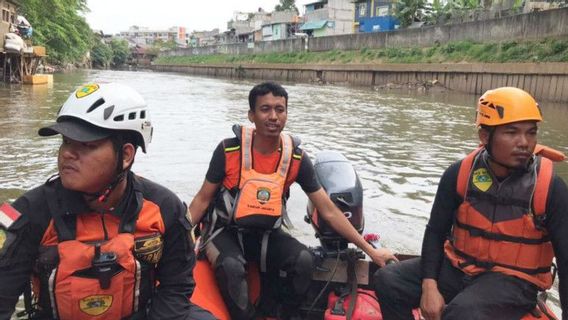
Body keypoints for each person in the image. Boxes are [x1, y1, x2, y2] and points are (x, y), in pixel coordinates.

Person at [0, 83, 215, 320]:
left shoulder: (165, 207)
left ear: (125, 155)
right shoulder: (27, 212)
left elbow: (177, 285)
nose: (68, 154)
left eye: (87, 145)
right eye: (66, 142)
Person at [189, 81, 397, 319]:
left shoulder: (296, 157)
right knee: (232, 268)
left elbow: (328, 210)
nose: (274, 116)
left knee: (304, 262)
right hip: (224, 233)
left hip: (267, 236)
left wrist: (371, 251)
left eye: (280, 109)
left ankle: (281, 313)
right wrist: (177, 236)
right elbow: (202, 200)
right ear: (251, 115)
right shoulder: (228, 150)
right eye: (265, 109)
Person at [373, 86, 568, 320]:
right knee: (389, 280)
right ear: (485, 136)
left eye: (531, 132)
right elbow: (435, 232)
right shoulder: (459, 174)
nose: (524, 142)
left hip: (515, 281)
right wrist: (429, 286)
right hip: (461, 267)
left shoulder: (549, 188)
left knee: (463, 313)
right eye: (512, 132)